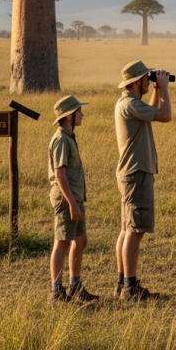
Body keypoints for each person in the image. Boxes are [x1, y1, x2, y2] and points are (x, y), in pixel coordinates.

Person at [113, 61, 172, 300]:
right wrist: (164, 88)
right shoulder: (131, 104)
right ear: (138, 82)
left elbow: (151, 112)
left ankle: (122, 282)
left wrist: (156, 89)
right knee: (135, 230)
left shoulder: (127, 103)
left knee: (127, 229)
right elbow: (165, 115)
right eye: (147, 78)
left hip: (130, 173)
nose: (150, 81)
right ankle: (130, 287)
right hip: (136, 173)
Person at [47, 95, 99, 303]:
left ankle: (75, 286)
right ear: (69, 115)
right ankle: (56, 292)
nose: (82, 115)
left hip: (74, 198)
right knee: (62, 243)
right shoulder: (61, 139)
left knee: (81, 240)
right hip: (66, 198)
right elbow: (60, 174)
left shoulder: (68, 137)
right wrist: (71, 204)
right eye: (79, 111)